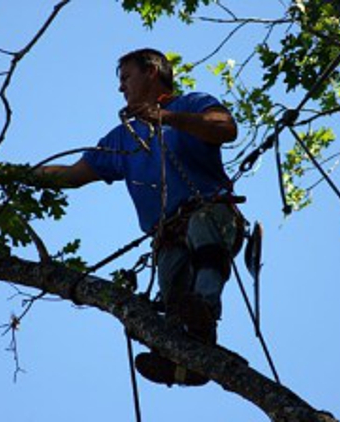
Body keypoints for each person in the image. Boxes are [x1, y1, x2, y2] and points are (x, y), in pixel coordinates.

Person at [35, 48, 244, 386]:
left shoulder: (191, 104)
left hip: (209, 210)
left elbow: (225, 128)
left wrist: (169, 118)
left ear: (151, 71)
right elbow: (72, 175)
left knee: (202, 229)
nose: (121, 88)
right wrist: (14, 174)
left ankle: (204, 309)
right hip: (168, 234)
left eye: (125, 77)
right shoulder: (123, 138)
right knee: (174, 294)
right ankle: (183, 361)